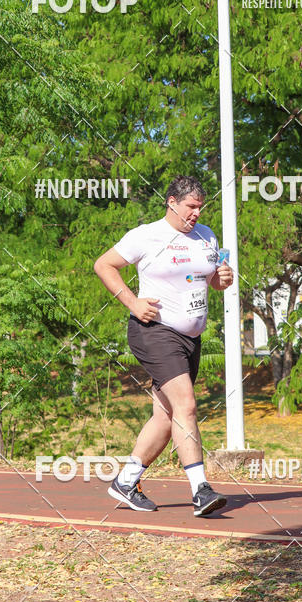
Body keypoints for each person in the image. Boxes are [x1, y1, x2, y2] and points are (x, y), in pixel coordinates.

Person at [93, 175, 233, 516]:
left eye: (201, 207)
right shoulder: (146, 235)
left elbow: (209, 279)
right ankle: (201, 490)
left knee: (167, 415)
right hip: (154, 330)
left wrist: (220, 280)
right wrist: (132, 302)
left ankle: (125, 481)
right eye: (191, 206)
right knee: (186, 404)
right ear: (172, 202)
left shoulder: (207, 236)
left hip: (191, 337)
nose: (197, 213)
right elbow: (103, 265)